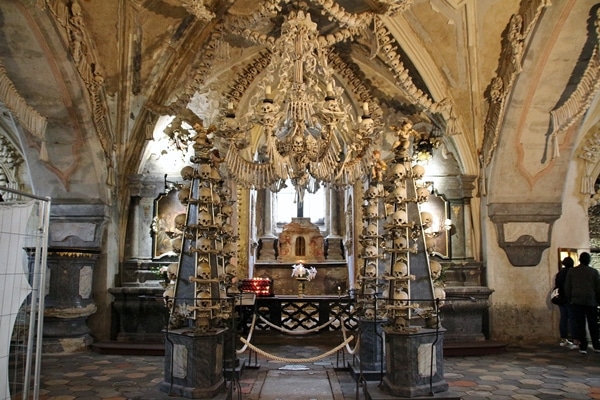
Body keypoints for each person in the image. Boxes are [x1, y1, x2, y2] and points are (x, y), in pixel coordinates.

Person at [565, 252, 600, 354]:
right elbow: (598, 287)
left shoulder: (572, 272)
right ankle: (596, 345)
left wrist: (570, 297)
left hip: (577, 301)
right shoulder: (593, 272)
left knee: (580, 324)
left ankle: (583, 346)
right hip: (590, 301)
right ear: (589, 260)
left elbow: (568, 287)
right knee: (593, 324)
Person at [554, 257, 577, 349]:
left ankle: (563, 338)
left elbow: (557, 285)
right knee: (572, 318)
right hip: (569, 298)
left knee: (563, 318)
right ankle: (574, 338)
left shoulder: (559, 274)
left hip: (561, 299)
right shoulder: (572, 273)